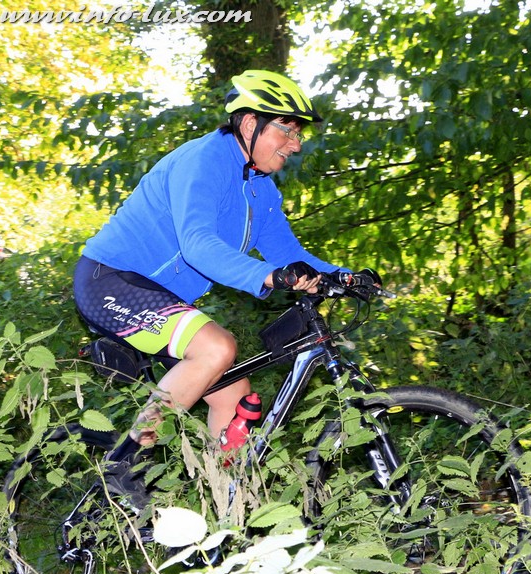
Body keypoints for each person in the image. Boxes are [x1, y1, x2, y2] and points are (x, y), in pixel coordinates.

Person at [72, 70, 380, 508]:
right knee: (217, 348)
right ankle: (124, 465)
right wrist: (268, 277)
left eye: (298, 134)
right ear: (251, 123)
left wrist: (345, 277)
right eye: (287, 130)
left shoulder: (260, 190)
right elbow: (198, 245)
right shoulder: (202, 161)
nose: (296, 144)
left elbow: (288, 253)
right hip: (111, 279)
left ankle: (228, 517)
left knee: (238, 403)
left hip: (163, 299)